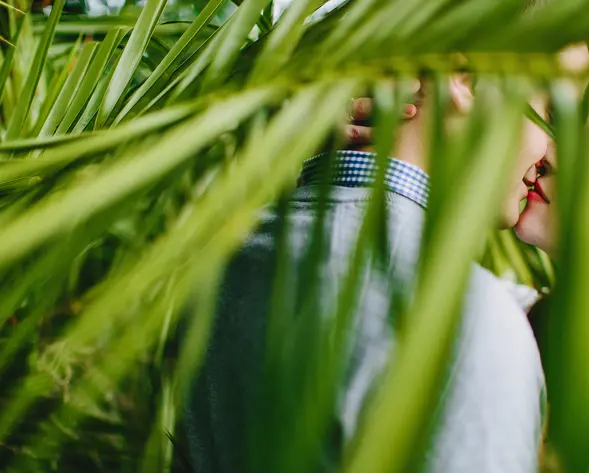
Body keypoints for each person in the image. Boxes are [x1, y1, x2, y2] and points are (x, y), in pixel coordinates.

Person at [183, 73, 552, 473]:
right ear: (464, 81)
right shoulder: (470, 321)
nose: (549, 149)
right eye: (549, 107)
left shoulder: (226, 246)